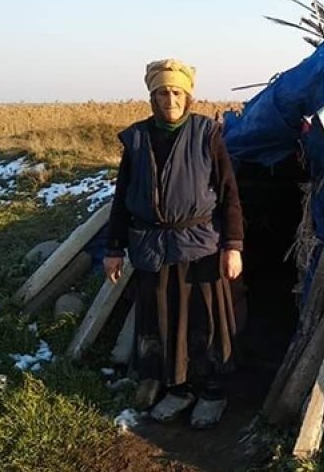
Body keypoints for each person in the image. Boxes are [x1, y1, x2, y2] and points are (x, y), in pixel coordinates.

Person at [103, 59, 244, 429]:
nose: (170, 99)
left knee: (205, 319)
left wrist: (233, 245)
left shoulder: (206, 134)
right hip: (151, 245)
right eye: (162, 92)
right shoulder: (136, 139)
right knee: (163, 322)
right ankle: (178, 389)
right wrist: (114, 248)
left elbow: (229, 193)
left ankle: (212, 392)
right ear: (152, 96)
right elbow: (122, 198)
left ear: (189, 96)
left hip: (200, 245)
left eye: (176, 92)